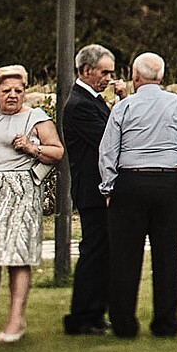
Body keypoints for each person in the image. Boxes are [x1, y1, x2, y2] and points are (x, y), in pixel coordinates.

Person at [98, 53, 177, 338]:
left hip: (131, 182)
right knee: (167, 254)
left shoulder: (124, 106)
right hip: (166, 182)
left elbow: (108, 151)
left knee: (125, 257)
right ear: (161, 78)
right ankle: (166, 322)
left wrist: (108, 187)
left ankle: (124, 323)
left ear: (135, 77)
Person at [0, 64, 62, 343]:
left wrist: (32, 148)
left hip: (20, 194)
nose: (13, 95)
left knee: (18, 256)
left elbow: (57, 152)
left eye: (19, 90)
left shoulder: (36, 118)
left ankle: (16, 319)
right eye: (6, 90)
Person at [61, 45, 116, 335]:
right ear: (86, 70)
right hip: (93, 191)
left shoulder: (93, 100)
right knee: (94, 251)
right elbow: (108, 139)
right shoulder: (80, 104)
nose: (109, 77)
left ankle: (96, 311)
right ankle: (81, 315)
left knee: (104, 251)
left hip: (99, 189)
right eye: (104, 72)